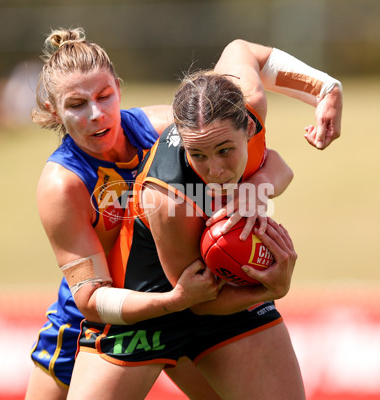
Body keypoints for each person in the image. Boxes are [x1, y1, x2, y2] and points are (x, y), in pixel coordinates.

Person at [26, 28, 342, 400]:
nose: (96, 114)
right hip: (111, 314)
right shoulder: (62, 184)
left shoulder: (173, 129)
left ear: (119, 87)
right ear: (53, 110)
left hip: (202, 289)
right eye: (77, 105)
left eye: (104, 96)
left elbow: (267, 156)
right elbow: (92, 299)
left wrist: (325, 90)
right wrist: (174, 300)